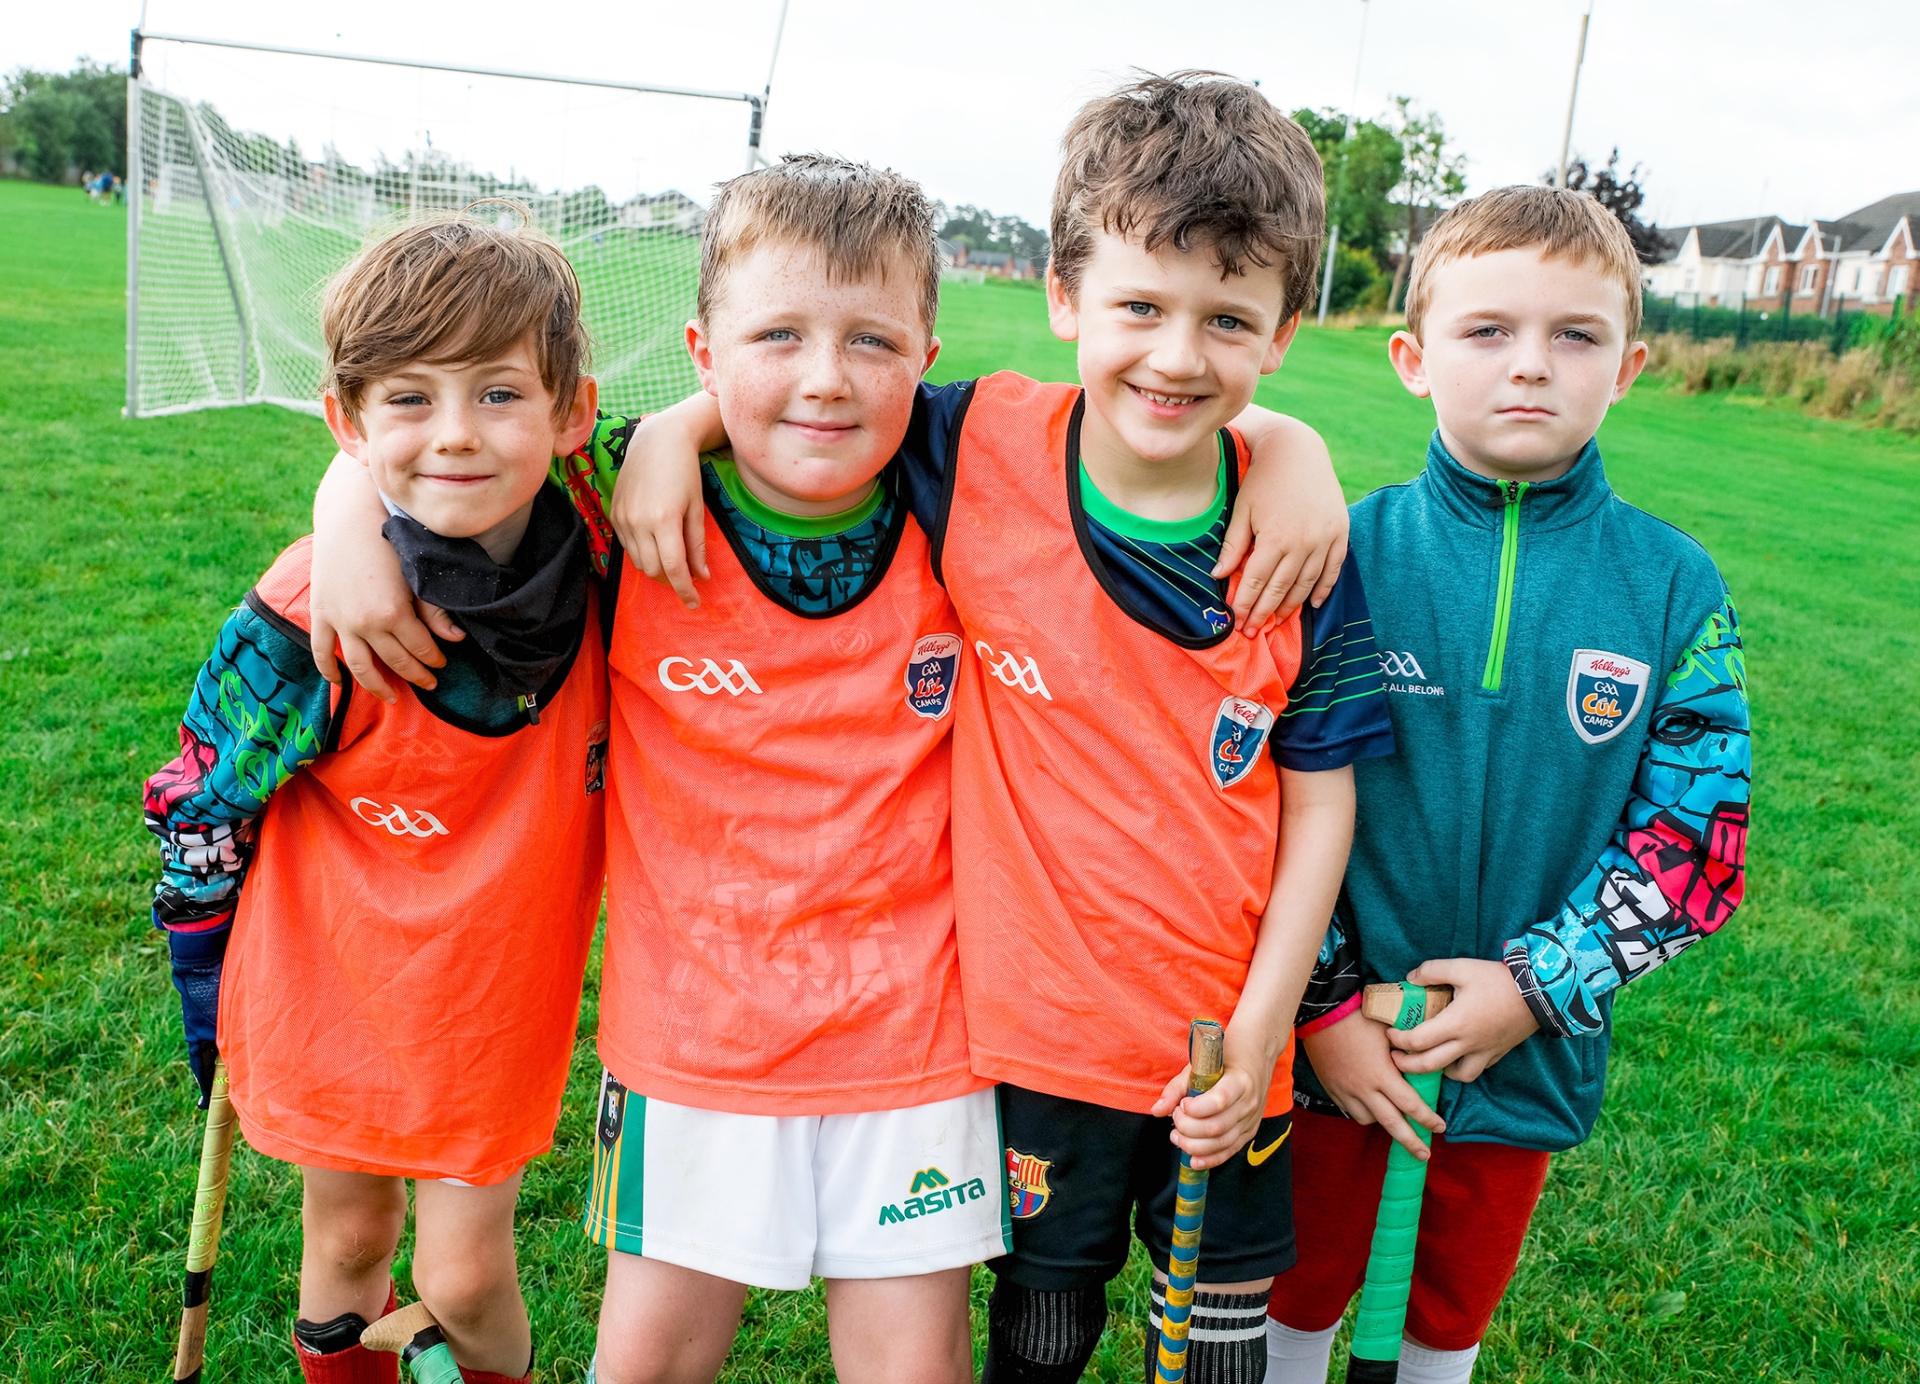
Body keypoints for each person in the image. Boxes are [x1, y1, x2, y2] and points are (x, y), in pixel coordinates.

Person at [621, 75, 1391, 1384]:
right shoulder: (979, 445)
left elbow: (1322, 798)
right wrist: (664, 434)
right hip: (1032, 1046)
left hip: (1227, 1048)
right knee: (1040, 1328)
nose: (1176, 353)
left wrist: (1296, 444)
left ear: (1283, 331)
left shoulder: (1299, 543)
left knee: (1221, 1346)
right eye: (1138, 307)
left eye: (1227, 322)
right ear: (1063, 297)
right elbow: (805, 400)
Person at [1265, 185, 1752, 1384]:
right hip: (1332, 1050)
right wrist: (1322, 1007)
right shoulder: (1338, 548)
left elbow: (1698, 845)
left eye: (1574, 335)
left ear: (1628, 366)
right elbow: (1254, 800)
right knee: (1298, 1291)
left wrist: (1538, 987)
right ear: (1413, 358)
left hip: (1522, 1054)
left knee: (1444, 1317)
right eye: (1487, 330)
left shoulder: (1673, 587)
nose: (1529, 366)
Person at [144, 208, 607, 1384]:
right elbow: (201, 798)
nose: (456, 434)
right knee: (345, 1244)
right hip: (324, 986)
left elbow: (738, 431)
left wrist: (344, 499)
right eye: (409, 399)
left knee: (459, 1277)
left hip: (488, 1005)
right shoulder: (308, 612)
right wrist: (208, 998)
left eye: (500, 394)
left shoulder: (607, 545)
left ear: (572, 413)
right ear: (348, 424)